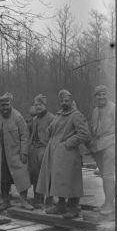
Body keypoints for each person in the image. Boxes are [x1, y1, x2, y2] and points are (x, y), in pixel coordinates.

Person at [36, 89, 90, 219]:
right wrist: (49, 131)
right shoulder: (59, 115)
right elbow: (54, 129)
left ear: (71, 101)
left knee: (71, 181)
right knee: (59, 180)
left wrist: (68, 143)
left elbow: (84, 134)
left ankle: (73, 207)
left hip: (69, 153)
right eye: (62, 101)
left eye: (67, 100)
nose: (64, 103)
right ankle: (60, 205)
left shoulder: (76, 115)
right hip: (55, 153)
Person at [0, 92, 33, 211]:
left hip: (16, 153)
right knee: (3, 179)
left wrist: (24, 152)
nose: (5, 108)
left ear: (10, 104)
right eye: (2, 106)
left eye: (7, 105)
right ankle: (6, 201)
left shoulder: (18, 117)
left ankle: (23, 201)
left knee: (22, 176)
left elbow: (24, 135)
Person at [89, 85, 115, 215]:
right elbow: (93, 129)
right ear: (95, 97)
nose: (101, 97)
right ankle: (106, 203)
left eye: (103, 94)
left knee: (109, 175)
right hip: (98, 146)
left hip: (111, 144)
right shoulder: (94, 111)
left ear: (107, 94)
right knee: (103, 175)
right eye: (99, 95)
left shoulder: (113, 108)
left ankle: (110, 205)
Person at [28, 94, 54, 208]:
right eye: (36, 105)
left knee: (47, 174)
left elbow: (54, 135)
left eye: (40, 104)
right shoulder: (34, 119)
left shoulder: (51, 118)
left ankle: (49, 199)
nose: (38, 107)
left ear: (45, 105)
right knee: (34, 174)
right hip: (34, 148)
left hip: (46, 148)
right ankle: (37, 199)